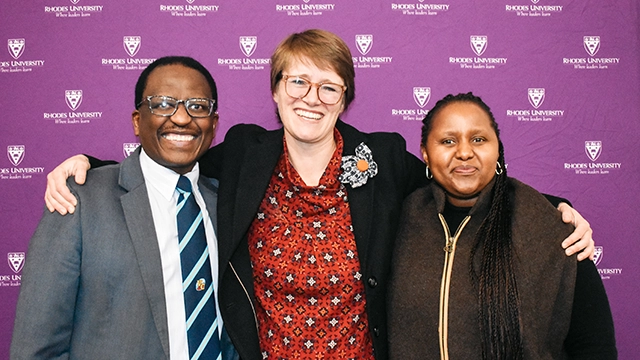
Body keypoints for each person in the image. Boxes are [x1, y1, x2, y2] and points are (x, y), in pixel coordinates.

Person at [41, 30, 595, 360]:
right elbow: (169, 155)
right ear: (276, 92)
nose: (312, 97)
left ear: (344, 100)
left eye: (329, 86)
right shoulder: (243, 156)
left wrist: (552, 207)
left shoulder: (378, 159)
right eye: (297, 83)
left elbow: (458, 174)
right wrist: (91, 165)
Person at [11, 56, 237, 360]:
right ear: (136, 120)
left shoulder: (229, 205)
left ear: (214, 122)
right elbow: (37, 348)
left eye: (197, 106)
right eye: (163, 104)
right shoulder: (80, 200)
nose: (182, 119)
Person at [387, 93, 617, 359]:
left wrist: (554, 207)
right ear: (425, 153)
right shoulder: (397, 222)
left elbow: (594, 345)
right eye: (448, 141)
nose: (464, 152)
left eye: (478, 139)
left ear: (498, 150)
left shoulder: (550, 226)